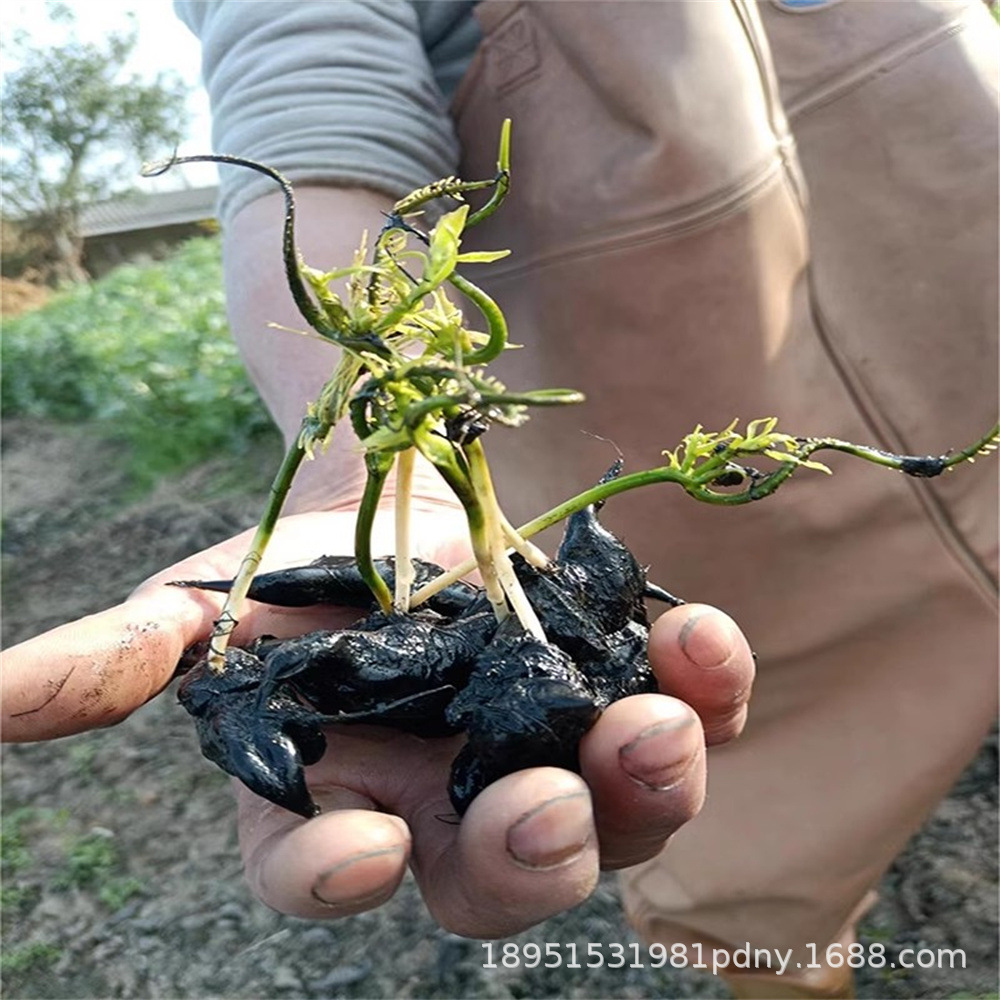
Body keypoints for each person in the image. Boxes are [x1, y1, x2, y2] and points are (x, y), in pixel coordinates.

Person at [3, 2, 997, 998]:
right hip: (717, 479)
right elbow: (317, 117)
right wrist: (370, 462)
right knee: (760, 837)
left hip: (960, 284)